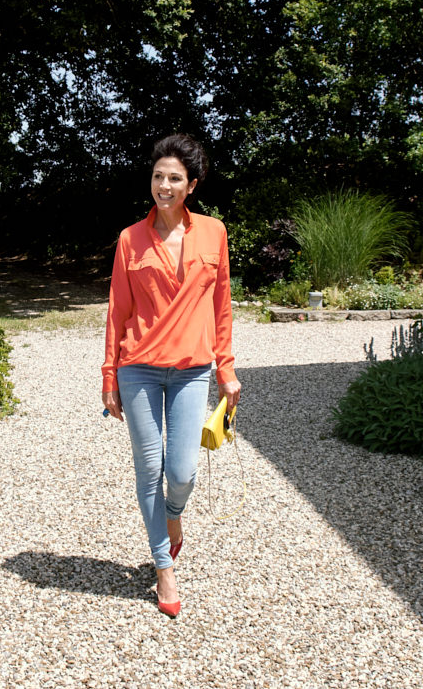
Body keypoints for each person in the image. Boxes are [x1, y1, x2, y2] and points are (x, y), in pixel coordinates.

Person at [101, 132, 241, 618]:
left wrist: (227, 369)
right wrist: (109, 376)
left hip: (191, 371)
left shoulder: (213, 233)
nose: (164, 185)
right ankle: (163, 567)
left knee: (181, 473)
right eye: (158, 176)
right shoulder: (129, 239)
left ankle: (173, 520)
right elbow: (117, 311)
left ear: (192, 186)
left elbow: (221, 305)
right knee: (149, 468)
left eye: (174, 178)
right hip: (138, 367)